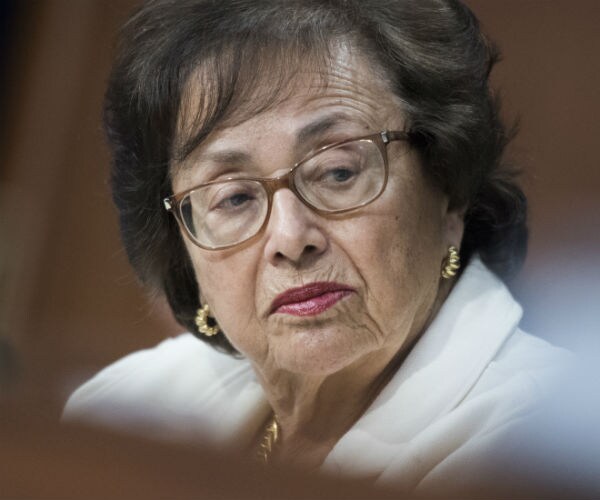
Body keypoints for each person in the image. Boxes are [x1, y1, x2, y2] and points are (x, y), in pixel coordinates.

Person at [64, 0, 571, 494]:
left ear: (448, 188)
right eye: (234, 197)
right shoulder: (123, 411)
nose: (290, 238)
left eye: (338, 172)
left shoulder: (542, 448)